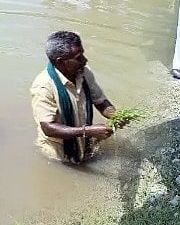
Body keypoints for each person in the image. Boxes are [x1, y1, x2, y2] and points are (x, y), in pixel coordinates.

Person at [30, 31, 126, 163]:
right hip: (59, 154)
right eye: (78, 57)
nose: (85, 61)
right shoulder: (43, 86)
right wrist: (87, 131)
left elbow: (100, 101)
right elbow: (48, 128)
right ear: (61, 62)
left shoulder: (84, 73)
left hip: (84, 142)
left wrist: (116, 115)